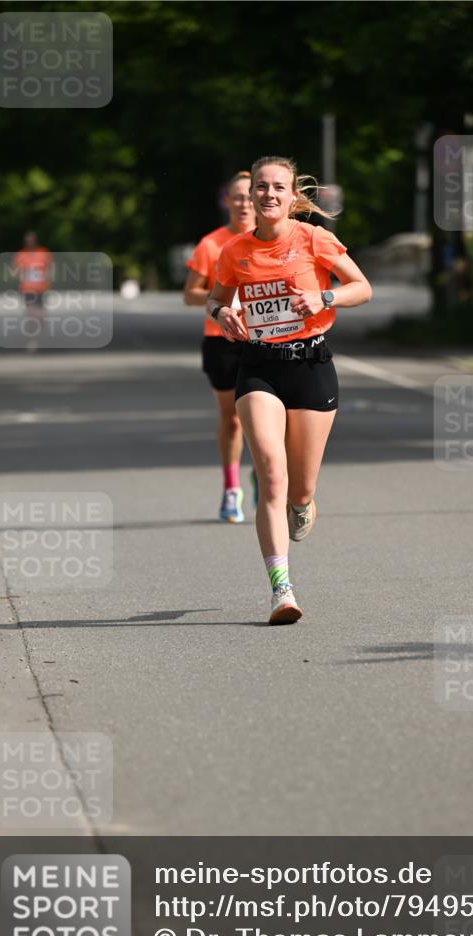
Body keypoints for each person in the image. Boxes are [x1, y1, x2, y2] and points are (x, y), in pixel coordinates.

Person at [207, 155, 372, 625]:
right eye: (261, 187)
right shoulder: (234, 251)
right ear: (251, 194)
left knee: (299, 488)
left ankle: (303, 502)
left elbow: (361, 287)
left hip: (311, 365)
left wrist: (324, 297)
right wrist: (223, 315)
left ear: (292, 194)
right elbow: (217, 299)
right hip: (258, 367)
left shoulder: (314, 238)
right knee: (271, 476)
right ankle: (282, 590)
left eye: (278, 187)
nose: (269, 195)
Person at [184, 171, 257, 523]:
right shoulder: (211, 244)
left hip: (266, 338)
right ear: (225, 201)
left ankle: (264, 474)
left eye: (248, 196)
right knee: (233, 420)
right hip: (221, 340)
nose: (243, 203)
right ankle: (231, 489)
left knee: (273, 418)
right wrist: (221, 302)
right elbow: (190, 294)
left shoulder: (274, 242)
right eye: (236, 197)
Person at [13, 230, 52, 320]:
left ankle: (40, 326)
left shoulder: (43, 253)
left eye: (32, 240)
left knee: (40, 312)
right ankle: (32, 327)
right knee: (30, 311)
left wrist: (48, 280)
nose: (30, 242)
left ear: (36, 241)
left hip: (41, 287)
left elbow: (49, 268)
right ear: (25, 242)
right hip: (27, 288)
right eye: (28, 241)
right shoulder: (20, 255)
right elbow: (16, 272)